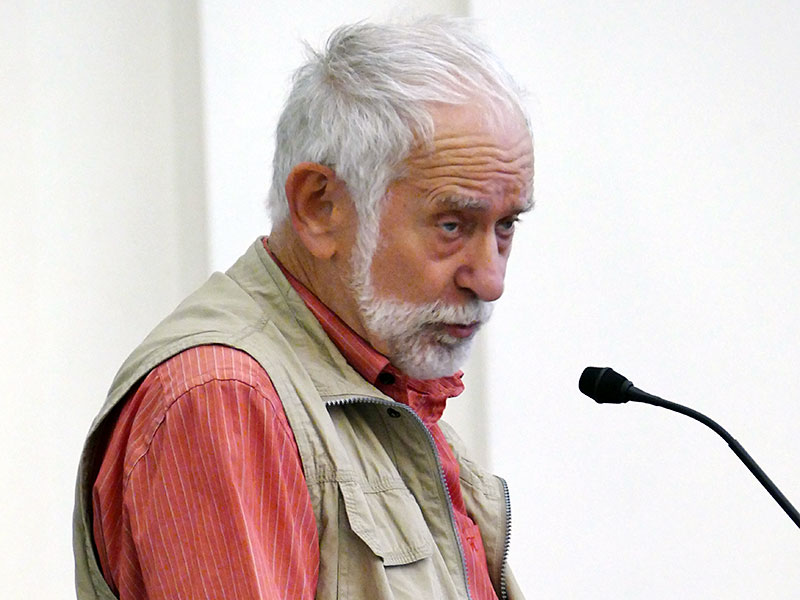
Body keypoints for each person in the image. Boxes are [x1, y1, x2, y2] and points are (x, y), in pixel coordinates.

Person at [73, 16, 534, 600]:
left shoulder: (381, 384)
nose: (490, 279)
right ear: (320, 207)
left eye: (506, 226)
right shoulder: (224, 397)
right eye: (452, 224)